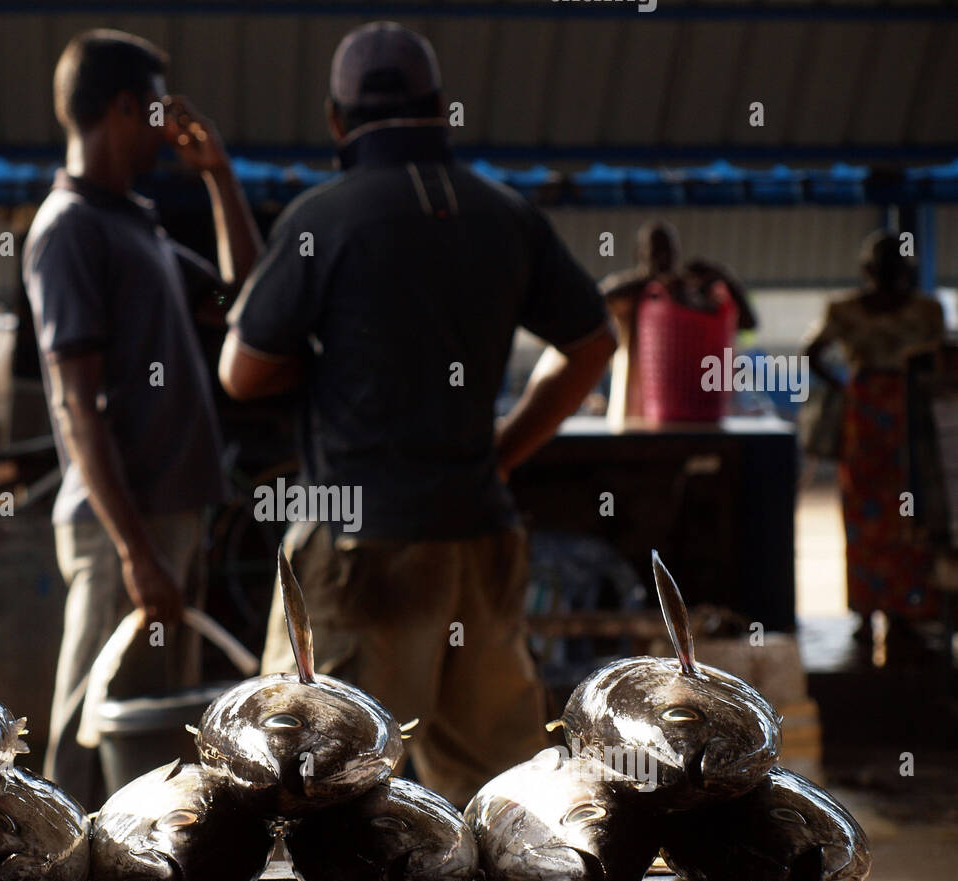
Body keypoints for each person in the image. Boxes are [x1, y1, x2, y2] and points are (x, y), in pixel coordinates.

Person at [220, 22, 616, 809]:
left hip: (365, 545)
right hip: (480, 530)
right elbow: (593, 343)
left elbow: (241, 370)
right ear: (441, 108)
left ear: (336, 123)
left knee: (315, 777)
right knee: (503, 792)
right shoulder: (506, 214)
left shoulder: (322, 219)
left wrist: (325, 363)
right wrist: (503, 452)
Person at [23, 29, 262, 811]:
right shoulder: (67, 230)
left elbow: (245, 299)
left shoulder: (139, 222)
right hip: (120, 526)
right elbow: (76, 404)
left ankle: (143, 872)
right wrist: (134, 551)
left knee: (158, 718)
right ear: (124, 107)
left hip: (172, 515)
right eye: (157, 108)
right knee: (88, 719)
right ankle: (52, 872)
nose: (167, 125)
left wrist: (221, 177)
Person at [804, 230, 946, 651]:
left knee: (877, 518)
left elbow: (811, 351)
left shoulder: (851, 310)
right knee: (894, 516)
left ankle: (876, 612)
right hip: (894, 420)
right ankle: (891, 612)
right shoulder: (924, 311)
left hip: (877, 417)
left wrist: (847, 387)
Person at [602, 220, 757, 420]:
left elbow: (747, 322)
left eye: (669, 252)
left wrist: (722, 277)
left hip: (679, 404)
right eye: (655, 252)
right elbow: (598, 299)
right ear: (640, 254)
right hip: (629, 399)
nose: (663, 259)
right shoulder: (626, 290)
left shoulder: (685, 295)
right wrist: (650, 281)